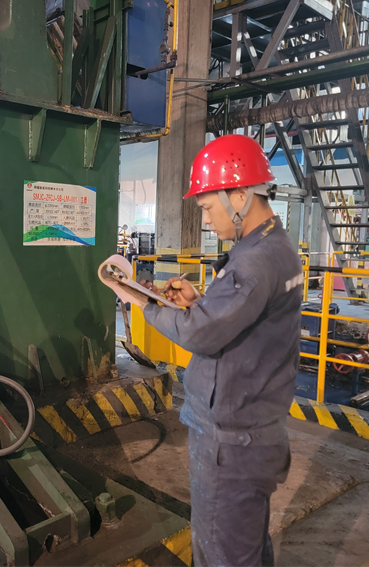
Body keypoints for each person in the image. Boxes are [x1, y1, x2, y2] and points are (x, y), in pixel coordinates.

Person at [130, 134, 303, 567]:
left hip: (232, 443)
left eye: (208, 207)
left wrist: (145, 304)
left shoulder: (254, 260)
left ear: (240, 195)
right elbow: (240, 316)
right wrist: (200, 302)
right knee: (245, 548)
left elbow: (202, 335)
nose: (206, 220)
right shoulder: (274, 246)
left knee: (221, 552)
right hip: (255, 430)